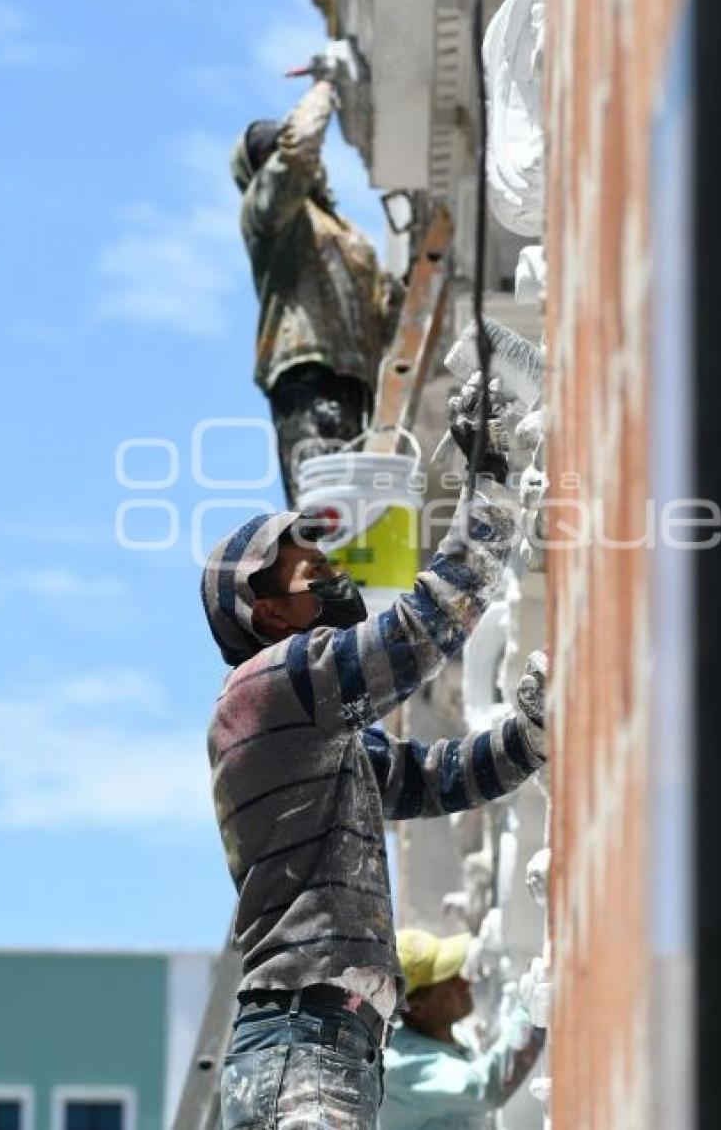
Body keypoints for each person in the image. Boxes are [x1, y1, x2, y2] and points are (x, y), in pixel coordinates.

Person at [200, 384, 548, 1129]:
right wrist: (487, 482)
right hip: (302, 1043)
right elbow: (419, 633)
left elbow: (431, 778)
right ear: (264, 610)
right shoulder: (270, 685)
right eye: (305, 565)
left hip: (325, 1043)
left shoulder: (318, 735)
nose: (327, 568)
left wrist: (528, 737)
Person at [230, 65, 403, 503]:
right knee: (326, 511)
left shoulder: (340, 230)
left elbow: (381, 309)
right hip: (307, 376)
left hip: (354, 382)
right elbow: (297, 152)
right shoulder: (269, 217)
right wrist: (325, 86)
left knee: (352, 512)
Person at [381, 928, 545, 1130]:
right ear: (417, 1008)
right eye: (449, 980)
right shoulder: (403, 1066)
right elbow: (485, 1088)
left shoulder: (450, 1035)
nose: (464, 982)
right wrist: (532, 1006)